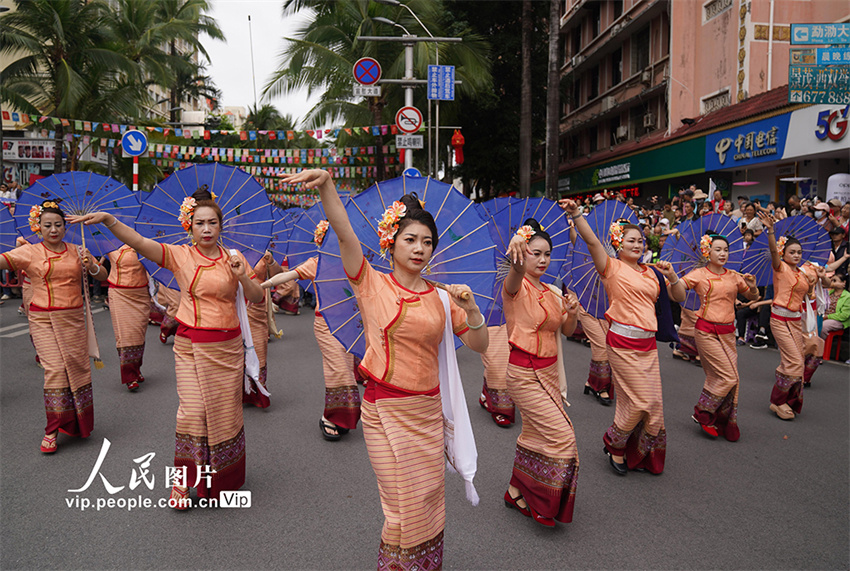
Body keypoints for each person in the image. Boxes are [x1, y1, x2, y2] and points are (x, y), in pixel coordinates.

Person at [282, 168, 488, 568]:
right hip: (384, 411)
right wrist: (326, 185)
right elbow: (344, 235)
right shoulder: (371, 283)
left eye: (427, 242)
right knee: (402, 504)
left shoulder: (444, 298)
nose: (419, 248)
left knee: (425, 499)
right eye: (410, 239)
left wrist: (473, 310)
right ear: (390, 243)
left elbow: (479, 345)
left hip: (428, 412)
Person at [71, 187, 264, 506]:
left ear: (220, 225)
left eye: (212, 223)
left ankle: (221, 477)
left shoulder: (235, 258)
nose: (206, 229)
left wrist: (243, 277)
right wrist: (109, 220)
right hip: (190, 344)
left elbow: (257, 298)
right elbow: (139, 242)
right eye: (199, 223)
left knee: (224, 414)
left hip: (228, 348)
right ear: (189, 226)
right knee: (192, 413)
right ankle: (182, 482)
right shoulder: (179, 255)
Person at [561, 198, 686, 475]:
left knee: (652, 405)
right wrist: (578, 215)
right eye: (631, 240)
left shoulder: (653, 273)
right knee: (643, 401)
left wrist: (673, 277)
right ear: (618, 244)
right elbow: (593, 242)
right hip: (621, 343)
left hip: (648, 346)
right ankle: (614, 443)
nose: (638, 245)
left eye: (641, 240)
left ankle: (635, 450)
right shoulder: (610, 267)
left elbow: (680, 298)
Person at [0, 200, 101, 453]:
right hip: (42, 318)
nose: (53, 230)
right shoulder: (29, 252)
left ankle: (77, 422)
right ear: (38, 228)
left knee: (76, 371)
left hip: (73, 319)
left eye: (58, 225)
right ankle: (52, 428)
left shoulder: (79, 251)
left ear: (66, 227)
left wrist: (92, 266)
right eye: (48, 225)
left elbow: (103, 277)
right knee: (55, 370)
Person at [502, 219, 580, 527]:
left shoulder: (553, 291)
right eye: (536, 253)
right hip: (523, 373)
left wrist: (572, 312)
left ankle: (515, 489)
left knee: (535, 435)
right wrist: (517, 260)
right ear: (524, 255)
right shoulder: (515, 287)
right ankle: (540, 498)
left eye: (547, 253)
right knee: (563, 437)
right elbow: (514, 277)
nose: (543, 259)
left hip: (548, 372)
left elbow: (568, 332)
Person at [263, 249, 363, 439]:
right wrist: (262, 285)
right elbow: (289, 276)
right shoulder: (316, 263)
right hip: (325, 324)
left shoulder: (356, 260)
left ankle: (342, 415)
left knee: (346, 369)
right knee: (338, 369)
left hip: (350, 324)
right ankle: (330, 417)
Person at [681, 234, 758, 440]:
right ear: (708, 251)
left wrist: (752, 286)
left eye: (725, 249)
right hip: (706, 331)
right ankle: (702, 412)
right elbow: (678, 289)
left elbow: (752, 297)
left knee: (728, 378)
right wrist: (672, 278)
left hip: (728, 332)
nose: (723, 253)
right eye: (718, 249)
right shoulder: (698, 274)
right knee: (728, 376)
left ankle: (720, 419)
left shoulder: (734, 275)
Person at [758, 212, 829, 421]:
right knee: (795, 362)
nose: (797, 255)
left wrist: (822, 279)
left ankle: (786, 399)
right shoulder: (779, 268)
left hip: (796, 320)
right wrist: (771, 230)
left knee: (796, 360)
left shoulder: (803, 273)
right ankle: (778, 401)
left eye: (799, 252)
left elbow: (821, 288)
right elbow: (772, 250)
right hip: (779, 319)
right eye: (792, 252)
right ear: (784, 253)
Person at [104, 245, 151, 391]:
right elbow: (97, 265)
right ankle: (130, 376)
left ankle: (136, 369)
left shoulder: (142, 242)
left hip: (141, 294)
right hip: (119, 293)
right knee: (125, 336)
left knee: (138, 335)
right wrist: (90, 263)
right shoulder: (108, 242)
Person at [243, 250, 283, 408]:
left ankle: (257, 391)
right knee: (237, 350)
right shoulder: (227, 249)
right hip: (234, 304)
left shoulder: (261, 248)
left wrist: (271, 261)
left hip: (257, 306)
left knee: (259, 347)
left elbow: (277, 275)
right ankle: (239, 391)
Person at [478, 324, 515, 427]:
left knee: (510, 359)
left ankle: (486, 395)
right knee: (495, 362)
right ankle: (501, 409)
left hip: (513, 318)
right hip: (489, 317)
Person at [820, 272, 849, 340]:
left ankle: (821, 347)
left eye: (835, 281)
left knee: (823, 327)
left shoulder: (847, 297)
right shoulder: (829, 292)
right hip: (824, 316)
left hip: (838, 320)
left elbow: (844, 315)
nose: (832, 282)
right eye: (832, 280)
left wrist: (827, 317)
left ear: (843, 283)